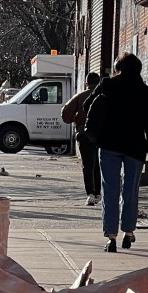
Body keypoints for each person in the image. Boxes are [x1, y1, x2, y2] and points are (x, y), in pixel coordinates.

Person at [83, 52, 148, 253]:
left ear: (118, 66)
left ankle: (111, 237)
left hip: (108, 144)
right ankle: (129, 232)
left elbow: (86, 105)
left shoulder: (107, 85)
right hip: (135, 148)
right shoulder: (146, 93)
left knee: (110, 190)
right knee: (130, 191)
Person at [61, 71, 101, 206]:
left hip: (84, 134)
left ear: (86, 83)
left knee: (88, 165)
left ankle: (91, 193)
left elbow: (65, 113)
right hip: (102, 135)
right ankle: (99, 193)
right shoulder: (104, 95)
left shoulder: (80, 96)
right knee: (100, 164)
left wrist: (75, 119)